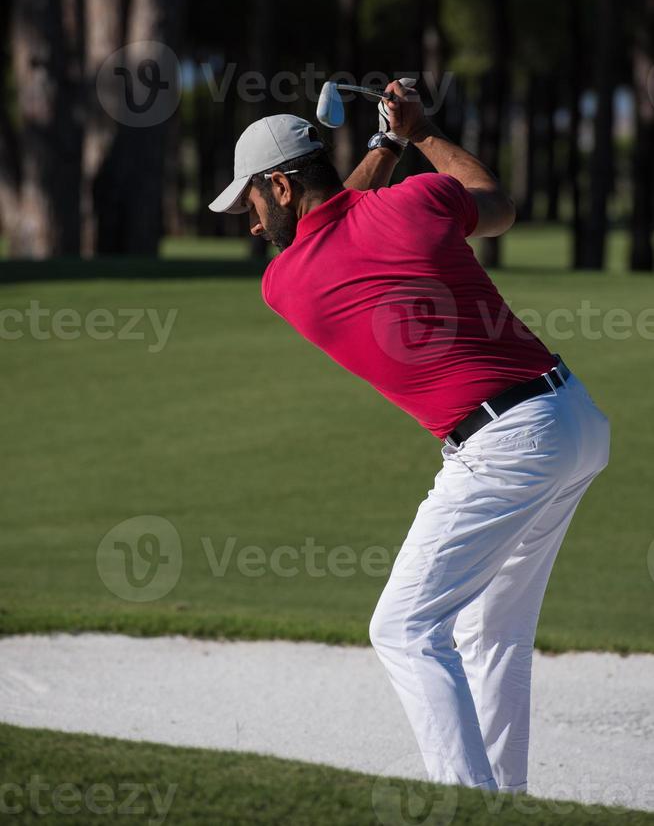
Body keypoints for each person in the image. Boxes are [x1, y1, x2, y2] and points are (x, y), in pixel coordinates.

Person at [209, 79, 610, 794]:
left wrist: (387, 145)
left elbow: (332, 218)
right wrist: (415, 135)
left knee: (403, 630)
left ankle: (471, 805)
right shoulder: (419, 200)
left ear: (279, 185)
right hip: (572, 418)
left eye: (252, 202)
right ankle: (504, 803)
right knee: (492, 633)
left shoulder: (286, 282)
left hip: (504, 446)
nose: (249, 222)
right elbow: (496, 202)